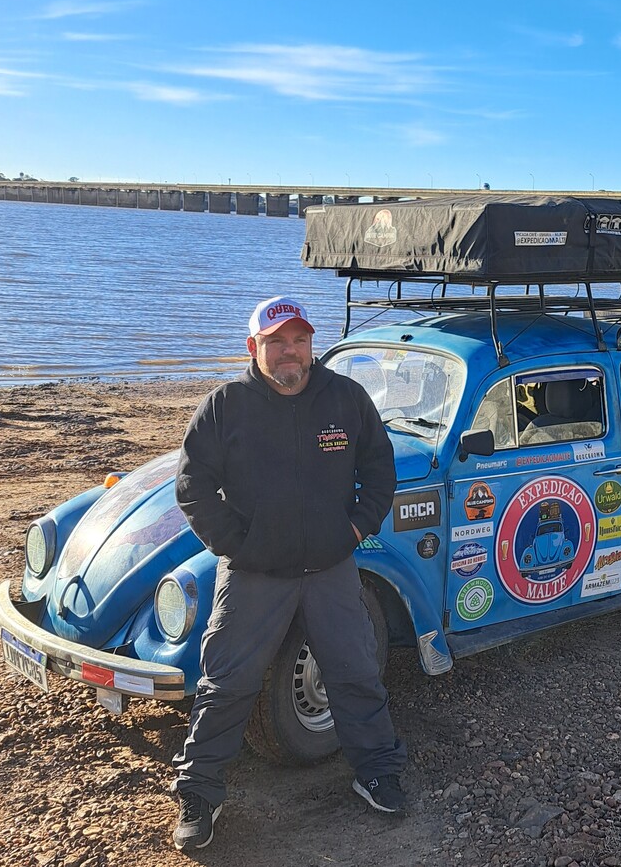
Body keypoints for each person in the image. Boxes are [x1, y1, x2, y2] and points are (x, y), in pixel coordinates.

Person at [170, 295, 406, 851]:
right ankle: (200, 793)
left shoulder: (345, 399)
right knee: (225, 684)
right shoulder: (225, 406)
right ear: (253, 347)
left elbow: (379, 469)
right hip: (254, 574)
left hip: (330, 568)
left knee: (355, 672)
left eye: (299, 339)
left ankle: (377, 771)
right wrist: (240, 546)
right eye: (276, 341)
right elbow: (192, 488)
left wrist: (353, 531)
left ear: (310, 344)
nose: (289, 351)